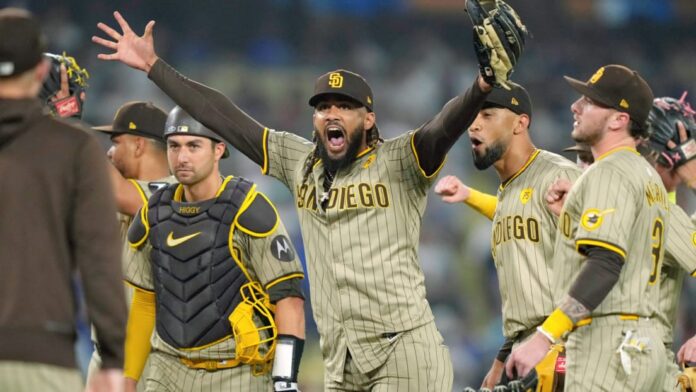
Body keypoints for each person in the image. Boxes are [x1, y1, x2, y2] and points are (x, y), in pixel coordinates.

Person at [90, 7, 526, 389]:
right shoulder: (298, 162)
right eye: (323, 107)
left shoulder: (401, 159)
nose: (332, 113)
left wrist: (483, 85)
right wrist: (154, 66)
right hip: (341, 361)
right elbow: (222, 116)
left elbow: (443, 126)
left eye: (345, 106)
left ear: (369, 118)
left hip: (403, 350)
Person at [506, 64, 668, 391]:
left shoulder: (608, 172)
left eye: (590, 102)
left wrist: (544, 336)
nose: (575, 107)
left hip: (607, 345)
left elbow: (606, 263)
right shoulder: (647, 175)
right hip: (644, 342)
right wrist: (573, 214)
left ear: (619, 119)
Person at [124, 106, 306, 392]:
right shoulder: (153, 212)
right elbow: (145, 302)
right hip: (167, 370)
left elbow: (288, 297)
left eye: (194, 146)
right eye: (174, 146)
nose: (182, 157)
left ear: (219, 150)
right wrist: (128, 381)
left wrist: (284, 379)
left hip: (237, 372)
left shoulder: (248, 208)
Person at [0, 7, 127, 392]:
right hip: (41, 351)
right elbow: (99, 259)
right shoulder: (73, 148)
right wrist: (113, 357)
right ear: (39, 71)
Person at [434, 82, 581, 390]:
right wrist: (502, 360)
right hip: (526, 347)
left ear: (520, 123)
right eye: (473, 116)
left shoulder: (558, 177)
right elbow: (511, 211)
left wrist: (554, 342)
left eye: (487, 114)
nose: (473, 124)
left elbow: (603, 265)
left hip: (567, 347)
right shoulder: (511, 188)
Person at [87, 101, 175, 387]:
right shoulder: (123, 192)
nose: (109, 153)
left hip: (148, 361)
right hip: (105, 354)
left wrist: (70, 124)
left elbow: (122, 194)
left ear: (138, 145)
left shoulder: (176, 193)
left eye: (116, 142)